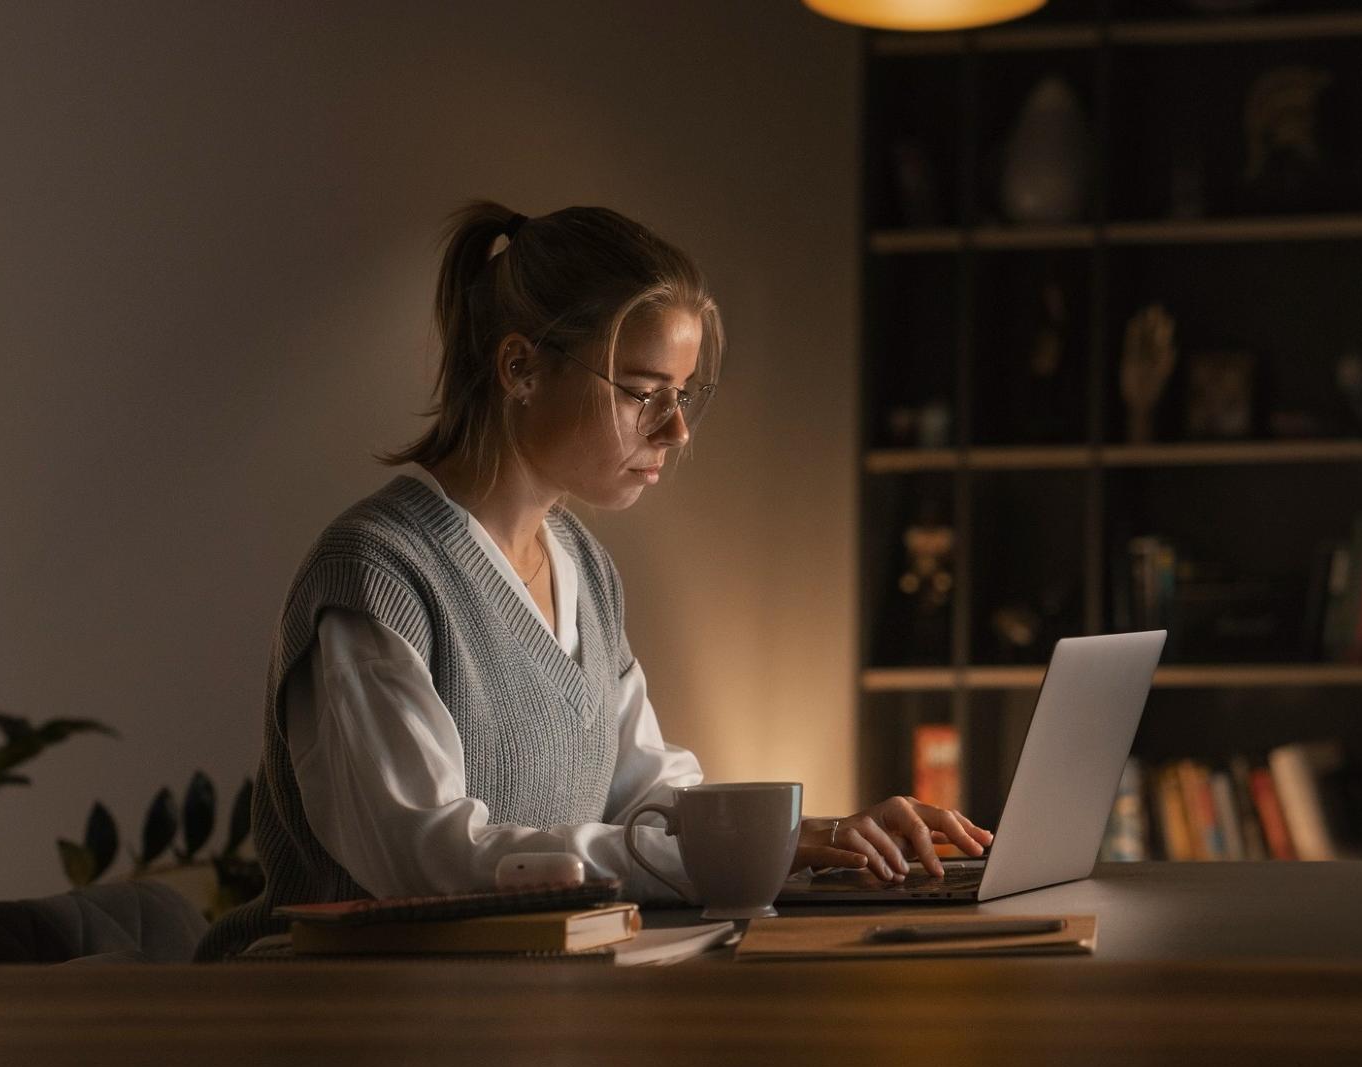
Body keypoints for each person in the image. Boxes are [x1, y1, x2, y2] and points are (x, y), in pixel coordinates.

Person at [196, 201, 991, 961]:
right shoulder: (379, 574)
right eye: (644, 393)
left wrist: (813, 838)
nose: (675, 431)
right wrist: (741, 854)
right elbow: (422, 857)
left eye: (683, 398)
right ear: (520, 368)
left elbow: (643, 796)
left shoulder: (583, 568)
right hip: (340, 1015)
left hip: (515, 1000)